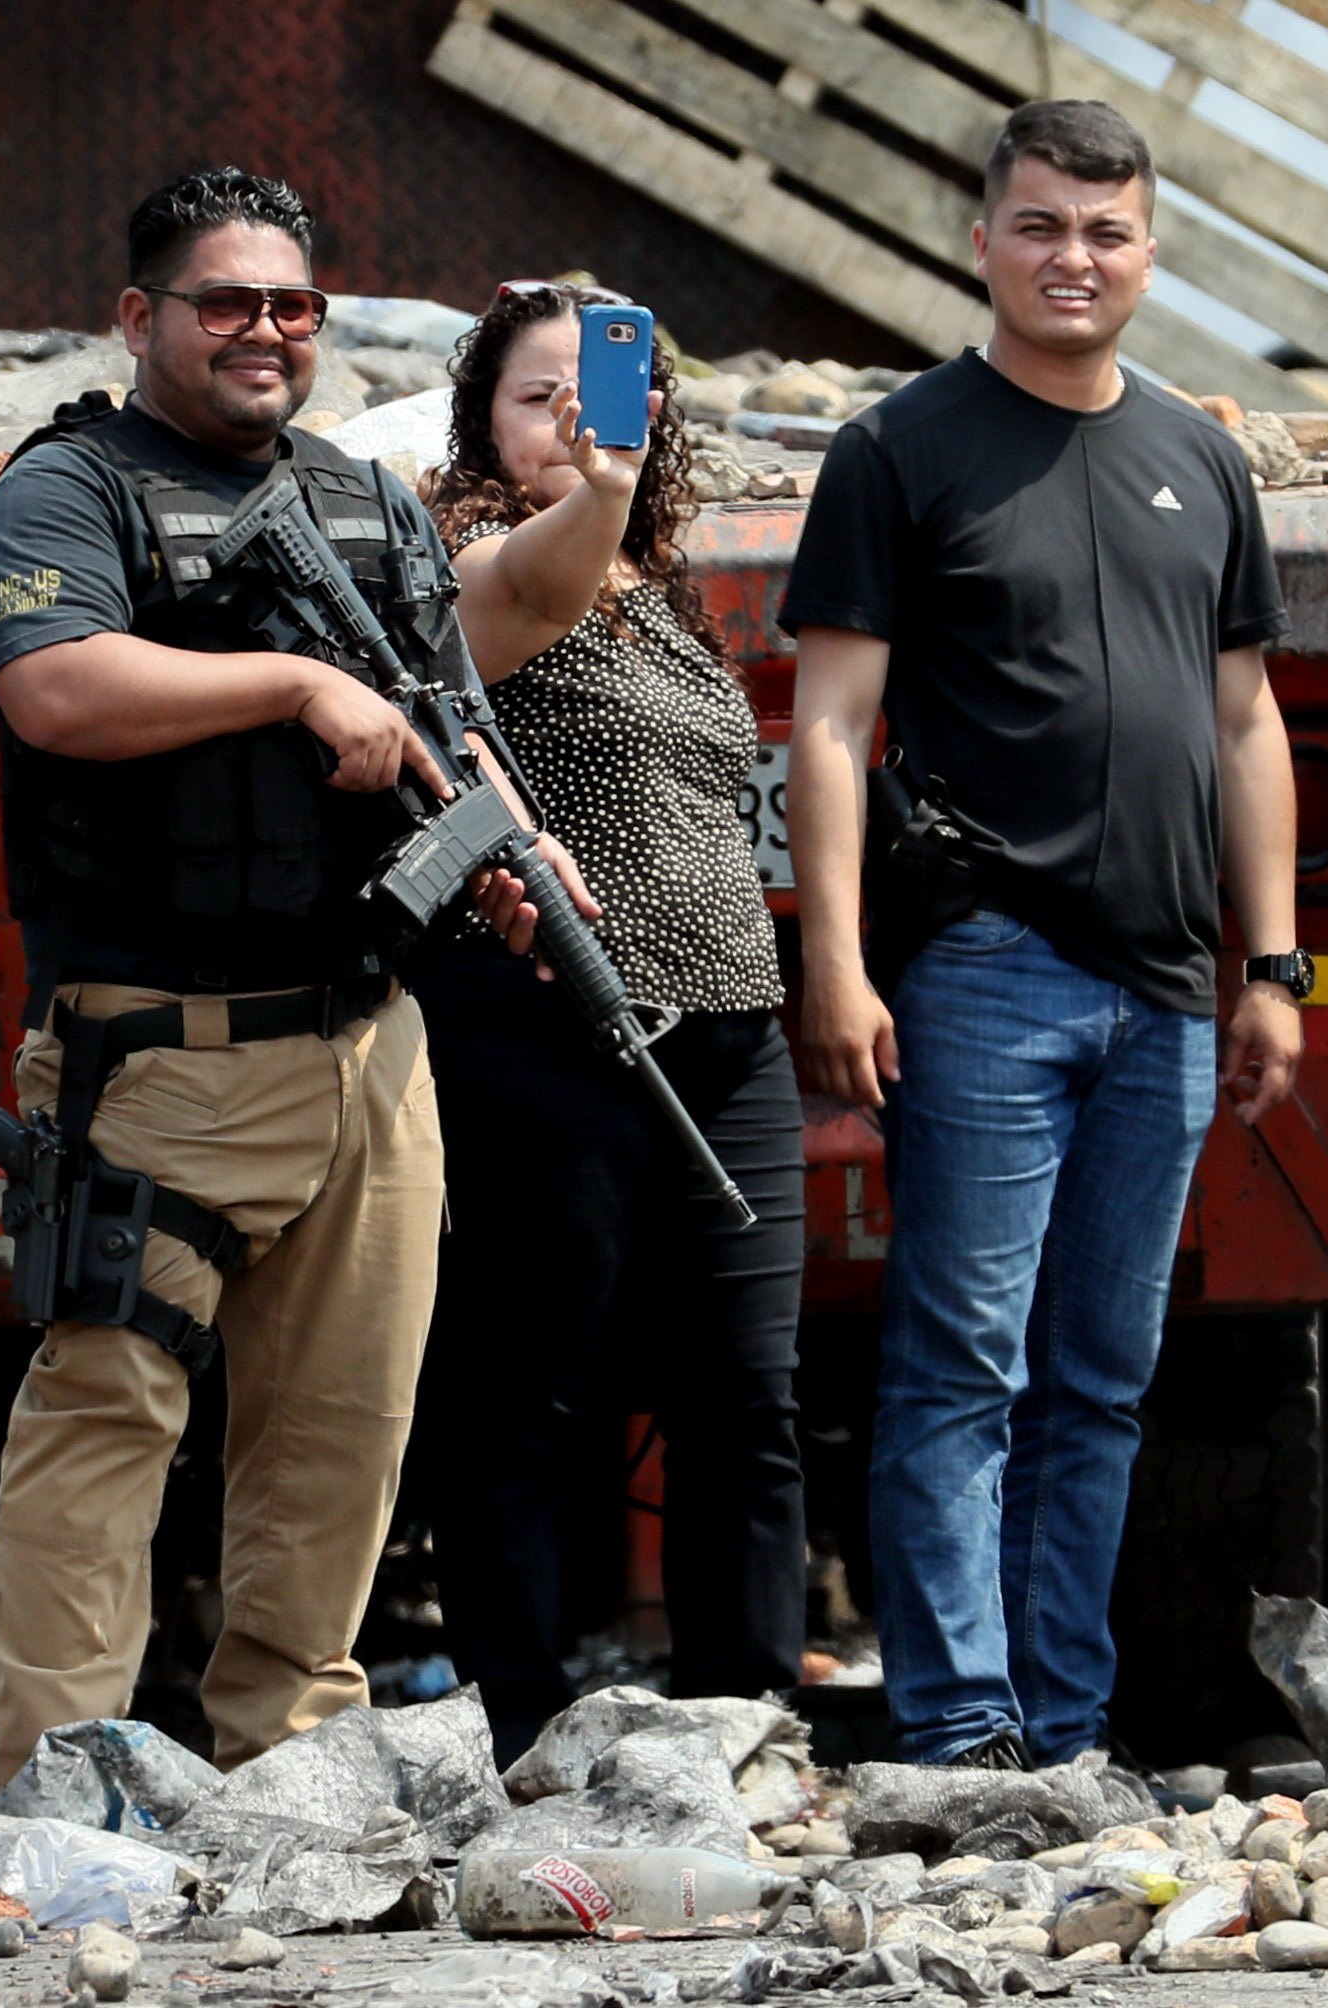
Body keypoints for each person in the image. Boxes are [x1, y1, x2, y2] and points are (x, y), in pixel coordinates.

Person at [0, 167, 588, 1787]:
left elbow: (452, 717)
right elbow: (57, 691)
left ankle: (285, 1773)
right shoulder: (69, 491)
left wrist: (521, 854)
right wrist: (294, 682)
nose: (263, 332)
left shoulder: (361, 498)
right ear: (139, 318)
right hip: (161, 1049)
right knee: (106, 1429)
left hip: (368, 1046)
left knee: (340, 1443)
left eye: (291, 306)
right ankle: (64, 1791)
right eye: (224, 303)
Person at [782, 99, 1302, 1770]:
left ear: (1148, 253)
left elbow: (1246, 727)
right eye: (1041, 226)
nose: (1073, 258)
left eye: (1107, 232)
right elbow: (829, 726)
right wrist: (839, 958)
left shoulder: (1202, 454)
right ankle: (959, 1728)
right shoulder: (900, 449)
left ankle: (1067, 1730)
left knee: (1101, 1384)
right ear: (983, 237)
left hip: (1166, 992)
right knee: (961, 1374)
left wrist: (1272, 964)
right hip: (989, 967)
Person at [409, 282, 806, 1763]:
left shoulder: (659, 585)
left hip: (731, 1024)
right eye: (537, 400)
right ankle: (522, 1717)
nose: (572, 422)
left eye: (600, 395)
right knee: (529, 1388)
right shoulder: (468, 565)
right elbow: (531, 592)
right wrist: (606, 482)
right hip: (550, 1027)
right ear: (485, 424)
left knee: (745, 1390)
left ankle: (744, 1709)